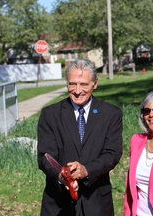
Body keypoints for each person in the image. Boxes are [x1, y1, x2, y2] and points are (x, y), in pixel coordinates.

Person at [37, 59, 123, 216]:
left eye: (84, 84)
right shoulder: (50, 114)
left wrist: (86, 170)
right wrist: (63, 177)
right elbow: (45, 157)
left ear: (95, 83)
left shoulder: (111, 114)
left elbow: (112, 154)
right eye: (72, 84)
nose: (77, 90)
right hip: (58, 203)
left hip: (97, 202)